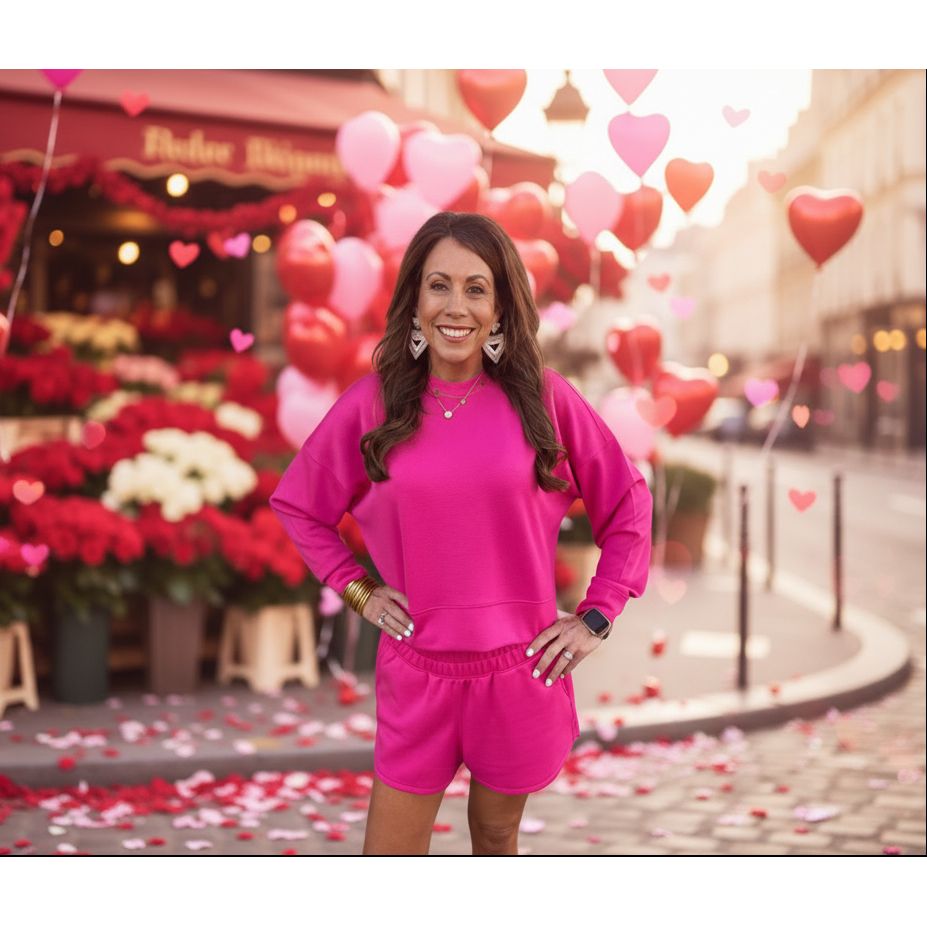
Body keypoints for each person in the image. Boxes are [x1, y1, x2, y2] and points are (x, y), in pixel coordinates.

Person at [269, 211, 652, 855]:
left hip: (518, 671)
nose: (456, 306)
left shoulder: (546, 401)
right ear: (414, 299)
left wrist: (595, 617)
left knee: (496, 840)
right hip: (418, 674)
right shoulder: (373, 404)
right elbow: (300, 504)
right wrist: (358, 590)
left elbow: (628, 501)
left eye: (477, 288)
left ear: (501, 306)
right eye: (439, 285)